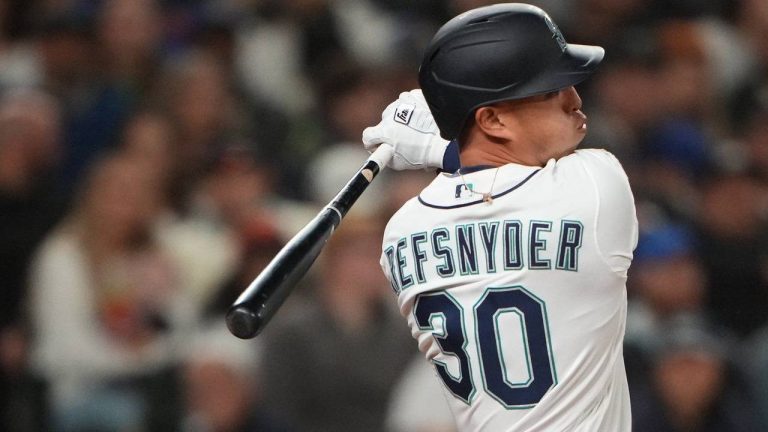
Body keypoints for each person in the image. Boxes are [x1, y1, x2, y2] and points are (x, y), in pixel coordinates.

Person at [362, 4, 637, 431]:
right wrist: (437, 148)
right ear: (491, 118)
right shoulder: (595, 185)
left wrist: (448, 146)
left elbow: (484, 179)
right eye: (549, 91)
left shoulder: (402, 229)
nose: (574, 99)